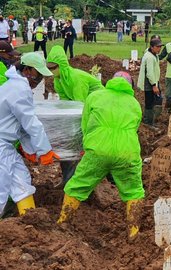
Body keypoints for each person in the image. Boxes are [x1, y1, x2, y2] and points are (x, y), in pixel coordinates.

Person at [57, 72, 145, 241]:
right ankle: (133, 232)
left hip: (98, 149)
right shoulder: (134, 104)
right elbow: (135, 128)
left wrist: (87, 144)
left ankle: (63, 223)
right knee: (134, 190)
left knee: (78, 185)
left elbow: (85, 124)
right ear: (130, 86)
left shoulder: (95, 96)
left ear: (110, 81)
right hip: (127, 152)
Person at [0, 52, 58, 217]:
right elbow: (31, 123)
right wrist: (45, 150)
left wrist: (31, 151)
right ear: (27, 70)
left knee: (22, 181)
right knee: (1, 189)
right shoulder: (19, 89)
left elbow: (21, 127)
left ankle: (30, 221)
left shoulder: (15, 86)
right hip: (1, 146)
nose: (38, 80)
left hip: (5, 146)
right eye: (37, 76)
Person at [47, 45, 106, 183]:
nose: (52, 71)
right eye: (49, 68)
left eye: (54, 67)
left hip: (98, 107)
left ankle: (92, 180)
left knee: (84, 146)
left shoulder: (75, 79)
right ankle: (70, 180)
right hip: (85, 108)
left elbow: (80, 107)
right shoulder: (59, 79)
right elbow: (65, 104)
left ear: (62, 65)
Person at [138, 38, 163, 126]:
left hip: (153, 82)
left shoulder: (154, 55)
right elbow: (149, 73)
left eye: (160, 47)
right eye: (157, 47)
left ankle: (150, 121)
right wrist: (154, 85)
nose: (159, 49)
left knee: (152, 102)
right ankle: (148, 123)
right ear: (152, 47)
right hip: (149, 83)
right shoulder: (149, 57)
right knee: (149, 103)